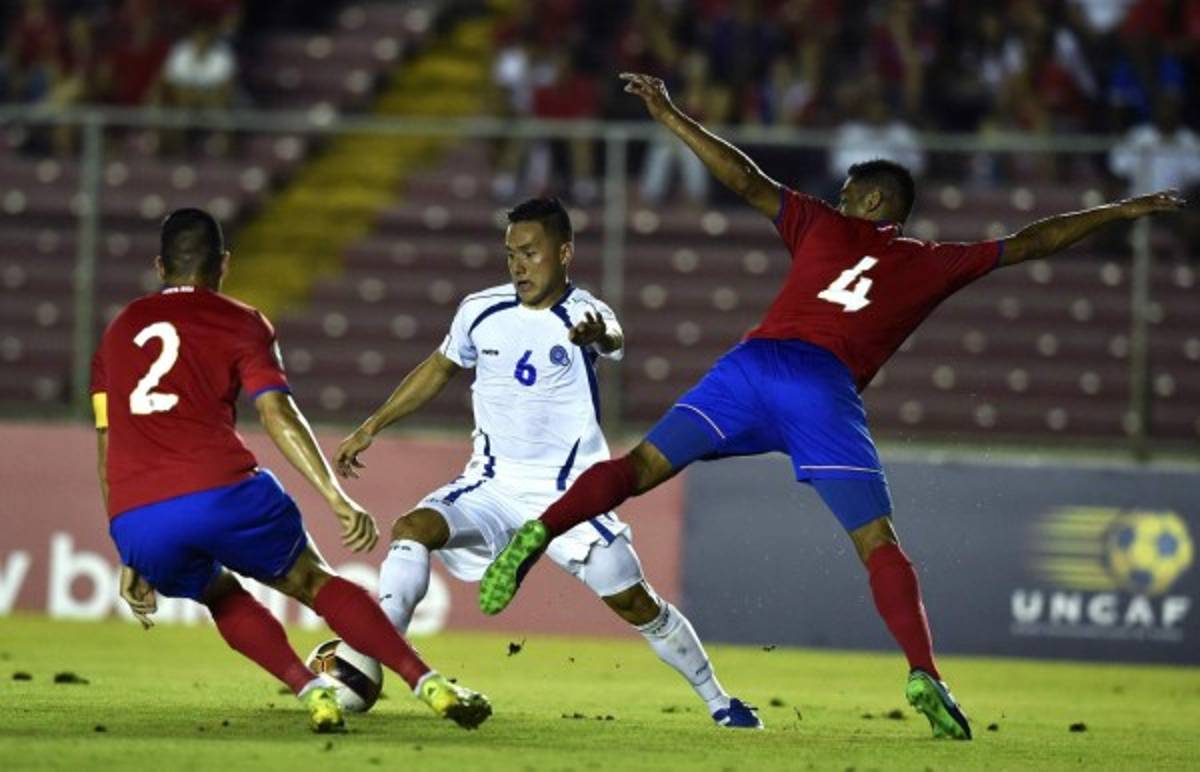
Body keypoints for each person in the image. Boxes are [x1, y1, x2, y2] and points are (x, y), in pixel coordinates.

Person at [479, 73, 1185, 741]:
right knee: (878, 545)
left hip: (752, 368)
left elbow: (745, 180)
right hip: (822, 389)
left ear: (875, 202)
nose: (841, 200)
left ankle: (537, 535)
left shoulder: (819, 226)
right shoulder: (933, 261)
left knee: (635, 470)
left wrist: (669, 116)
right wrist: (1123, 210)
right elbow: (1035, 241)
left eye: (850, 193)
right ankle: (925, 674)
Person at [333, 197, 762, 729]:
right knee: (413, 528)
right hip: (490, 484)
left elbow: (613, 336)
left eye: (530, 253)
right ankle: (369, 653)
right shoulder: (480, 310)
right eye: (511, 253)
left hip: (571, 496)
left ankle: (720, 700)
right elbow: (439, 368)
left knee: (635, 603)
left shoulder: (586, 312)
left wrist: (594, 336)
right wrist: (371, 426)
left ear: (564, 254)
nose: (518, 265)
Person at [91, 209, 491, 734]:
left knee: (220, 596)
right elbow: (277, 413)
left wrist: (128, 543)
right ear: (224, 265)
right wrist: (334, 495)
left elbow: (107, 444)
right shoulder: (242, 321)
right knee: (313, 581)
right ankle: (428, 682)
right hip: (220, 489)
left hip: (138, 516)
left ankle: (310, 690)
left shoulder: (117, 332)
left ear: (160, 266)